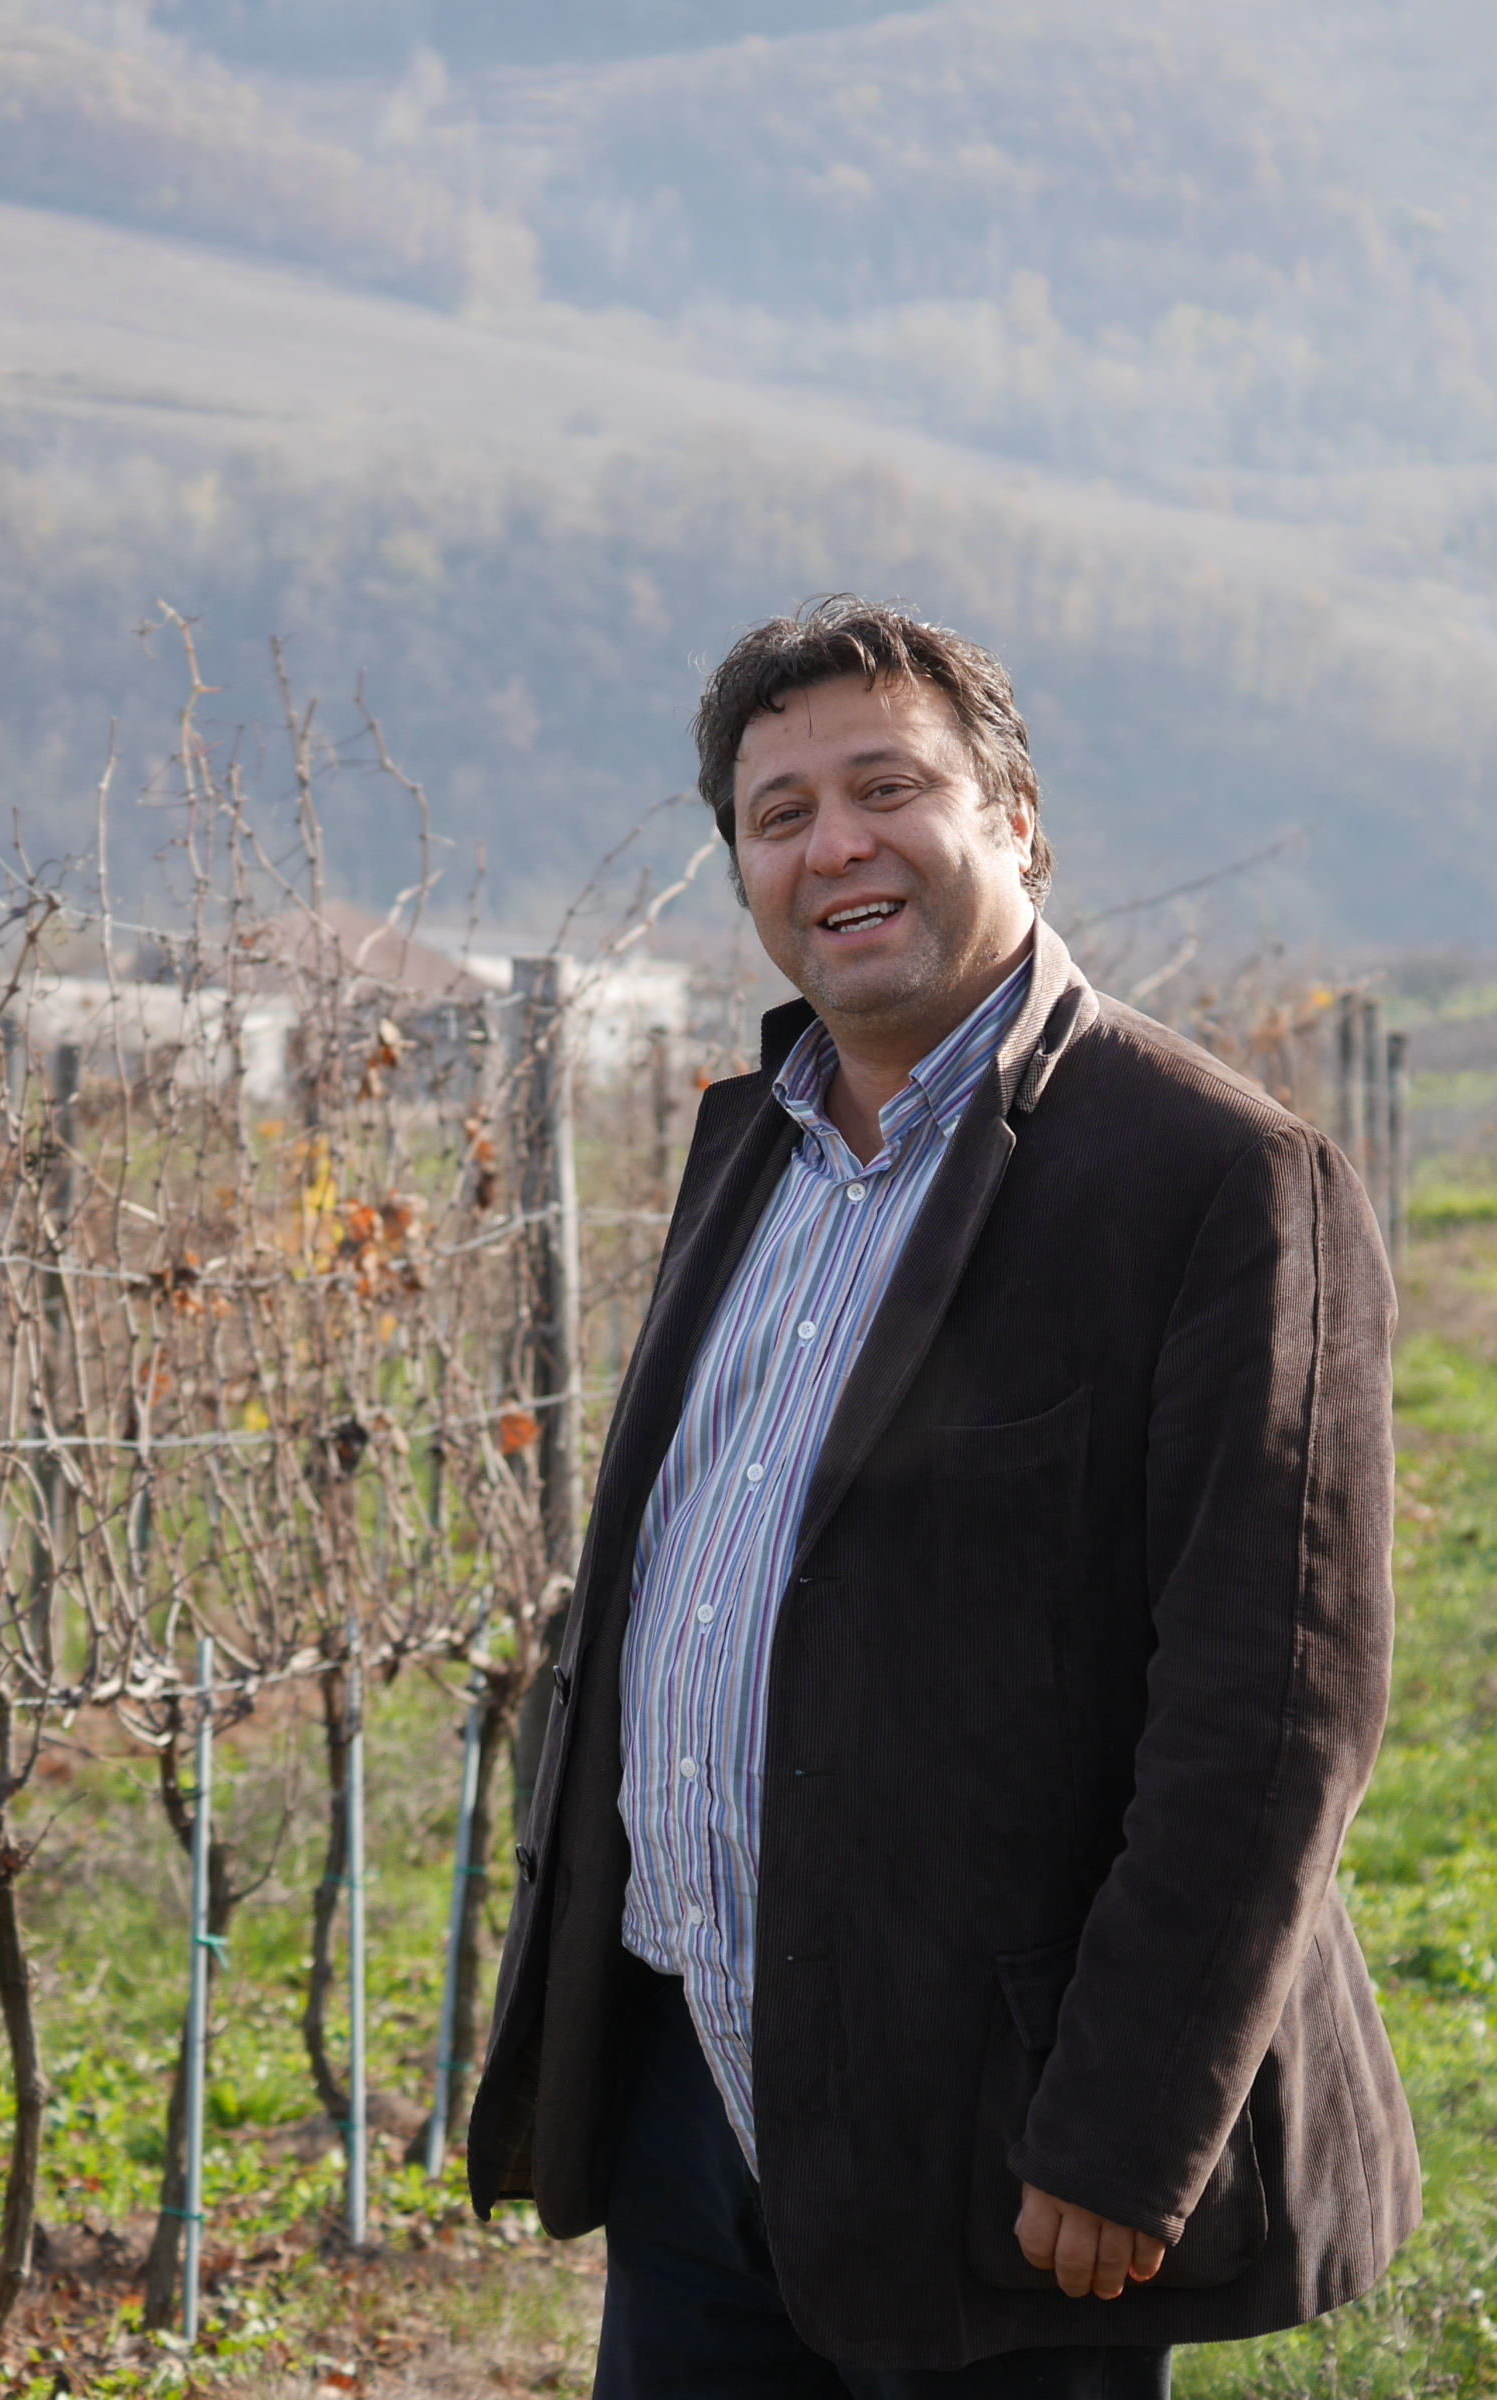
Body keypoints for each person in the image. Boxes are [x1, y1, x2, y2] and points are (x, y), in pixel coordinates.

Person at [463, 596, 1418, 2396]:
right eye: (779, 814)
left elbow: (1279, 1704)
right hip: (692, 2095)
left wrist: (1129, 2125)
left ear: (1016, 822)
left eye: (886, 787)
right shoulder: (749, 1151)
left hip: (1001, 2131)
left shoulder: (1217, 1178)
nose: (833, 845)